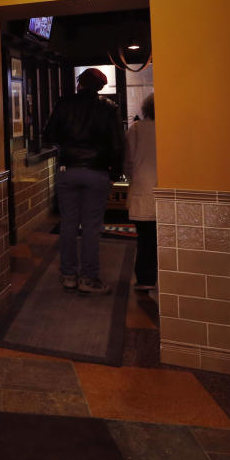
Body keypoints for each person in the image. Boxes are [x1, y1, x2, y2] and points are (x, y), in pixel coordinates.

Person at [45, 67, 124, 295]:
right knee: (91, 227)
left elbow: (49, 135)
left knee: (68, 224)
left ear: (80, 83)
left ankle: (69, 275)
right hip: (96, 172)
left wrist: (67, 143)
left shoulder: (64, 104)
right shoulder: (109, 109)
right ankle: (88, 279)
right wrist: (115, 174)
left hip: (67, 170)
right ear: (100, 86)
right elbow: (117, 145)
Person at [125, 93, 157, 291]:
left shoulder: (136, 129)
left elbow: (127, 160)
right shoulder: (173, 128)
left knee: (145, 238)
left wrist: (131, 179)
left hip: (142, 190)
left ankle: (145, 279)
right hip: (166, 191)